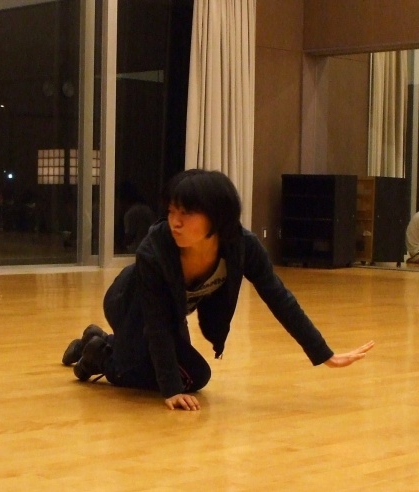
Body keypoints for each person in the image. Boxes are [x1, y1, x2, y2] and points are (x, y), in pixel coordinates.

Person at [62, 169, 374, 411]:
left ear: (217, 216)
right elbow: (156, 324)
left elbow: (279, 297)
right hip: (128, 303)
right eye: (171, 212)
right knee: (137, 372)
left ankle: (99, 343)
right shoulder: (154, 251)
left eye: (186, 213)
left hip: (170, 315)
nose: (175, 222)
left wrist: (323, 353)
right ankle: (101, 354)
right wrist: (170, 391)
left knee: (194, 375)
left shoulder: (242, 246)